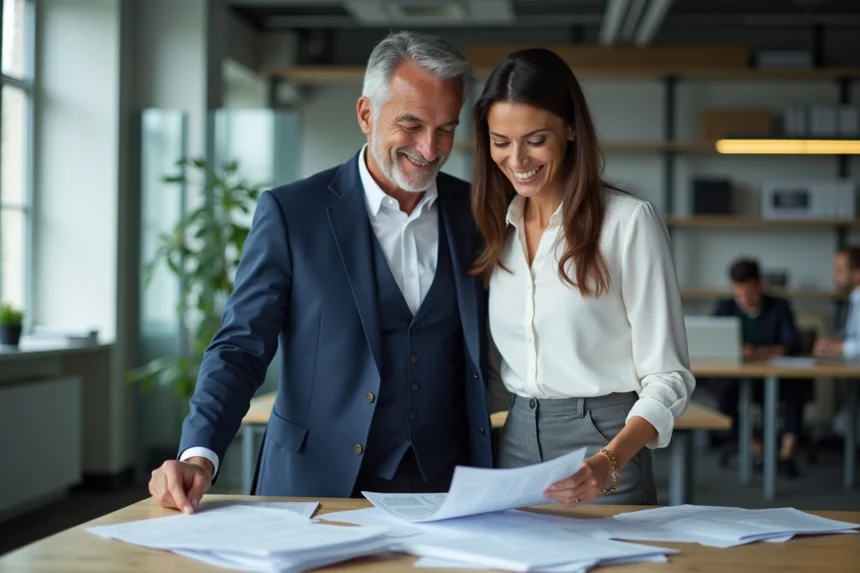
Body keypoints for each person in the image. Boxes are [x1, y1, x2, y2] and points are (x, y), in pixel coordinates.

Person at [148, 31, 495, 514]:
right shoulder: (293, 213)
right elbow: (241, 345)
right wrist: (199, 453)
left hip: (446, 485)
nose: (430, 148)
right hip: (315, 482)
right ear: (366, 115)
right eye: (411, 125)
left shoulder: (477, 213)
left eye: (445, 128)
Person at [470, 48, 696, 506]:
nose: (517, 159)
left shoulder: (628, 222)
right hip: (514, 440)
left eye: (535, 140)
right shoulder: (497, 228)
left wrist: (608, 460)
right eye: (500, 141)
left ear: (570, 128)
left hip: (606, 444)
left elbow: (669, 376)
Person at [713, 258, 804, 477]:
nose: (743, 300)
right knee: (723, 392)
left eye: (748, 293)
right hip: (738, 379)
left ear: (760, 285)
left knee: (796, 388)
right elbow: (713, 340)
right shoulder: (725, 307)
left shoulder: (779, 307)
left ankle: (786, 453)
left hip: (774, 379)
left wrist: (758, 352)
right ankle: (755, 448)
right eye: (738, 294)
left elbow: (791, 345)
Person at [814, 246, 860, 360]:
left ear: (857, 274)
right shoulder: (854, 300)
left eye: (839, 270)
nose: (833, 277)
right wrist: (834, 343)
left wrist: (840, 348)